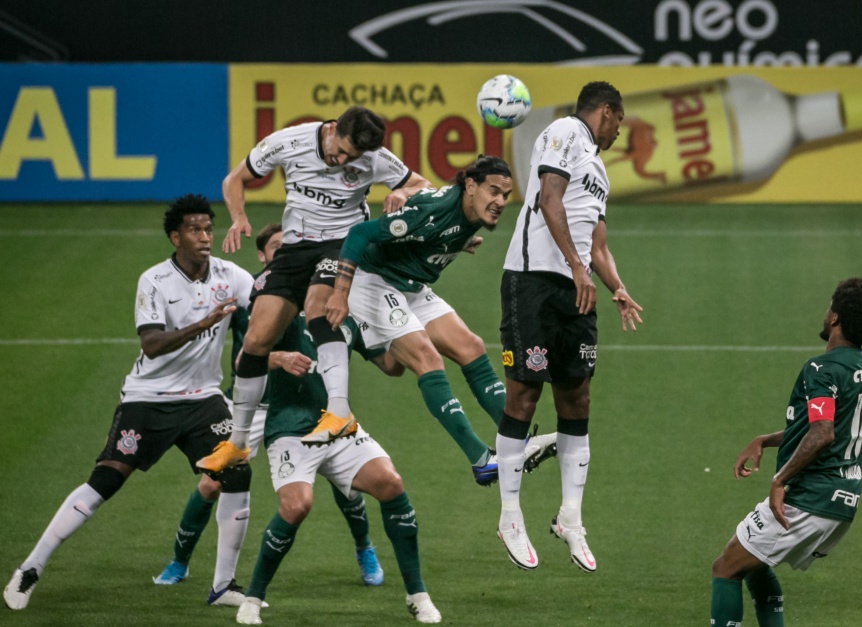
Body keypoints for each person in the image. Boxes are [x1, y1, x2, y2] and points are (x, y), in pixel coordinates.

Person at [3, 194, 256, 610]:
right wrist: (204, 323)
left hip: (203, 400)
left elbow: (265, 298)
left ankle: (223, 585)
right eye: (195, 230)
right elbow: (152, 344)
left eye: (209, 228)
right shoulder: (154, 280)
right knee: (107, 478)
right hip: (148, 397)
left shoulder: (231, 275)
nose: (205, 236)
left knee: (237, 473)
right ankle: (30, 568)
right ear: (175, 237)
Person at [197, 105, 432, 474]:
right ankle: (238, 444)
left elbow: (421, 184)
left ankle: (339, 412)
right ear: (333, 128)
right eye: (340, 151)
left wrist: (404, 195)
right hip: (294, 248)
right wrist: (239, 216)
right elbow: (234, 180)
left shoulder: (372, 158)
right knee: (257, 341)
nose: (342, 161)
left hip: (344, 244)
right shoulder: (287, 142)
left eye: (351, 158)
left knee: (318, 305)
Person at [154, 224, 385, 589]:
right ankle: (178, 561)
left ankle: (364, 549)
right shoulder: (256, 295)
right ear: (262, 256)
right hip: (256, 406)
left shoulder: (322, 289)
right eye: (276, 247)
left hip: (308, 403)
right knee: (213, 484)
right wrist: (278, 359)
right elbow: (241, 360)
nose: (285, 252)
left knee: (348, 484)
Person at [323, 155, 557, 486]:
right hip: (374, 281)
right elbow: (360, 234)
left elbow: (429, 212)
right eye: (493, 191)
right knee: (426, 358)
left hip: (411, 284)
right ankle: (481, 460)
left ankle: (515, 442)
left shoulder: (473, 210)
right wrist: (339, 294)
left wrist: (458, 240)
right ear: (471, 186)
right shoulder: (431, 213)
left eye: (505, 195)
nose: (500, 202)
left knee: (470, 346)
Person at [496, 81, 644, 572]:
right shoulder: (565, 131)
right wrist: (576, 266)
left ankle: (570, 518)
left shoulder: (598, 170)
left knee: (576, 396)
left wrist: (616, 286)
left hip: (575, 292)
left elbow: (596, 242)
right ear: (606, 111)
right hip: (534, 281)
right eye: (618, 122)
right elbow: (549, 198)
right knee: (524, 394)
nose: (618, 133)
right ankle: (510, 515)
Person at [234, 312, 441, 625]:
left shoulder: (346, 316)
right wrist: (281, 358)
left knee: (390, 482)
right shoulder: (285, 311)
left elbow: (391, 366)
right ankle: (252, 598)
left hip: (338, 427)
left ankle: (417, 595)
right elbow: (243, 362)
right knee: (296, 506)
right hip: (291, 430)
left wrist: (405, 332)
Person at [710, 278, 862, 627]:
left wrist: (779, 480)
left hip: (810, 497)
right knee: (754, 563)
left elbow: (823, 434)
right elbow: (825, 427)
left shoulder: (821, 370)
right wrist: (766, 439)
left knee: (725, 568)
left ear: (835, 318)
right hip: (843, 498)